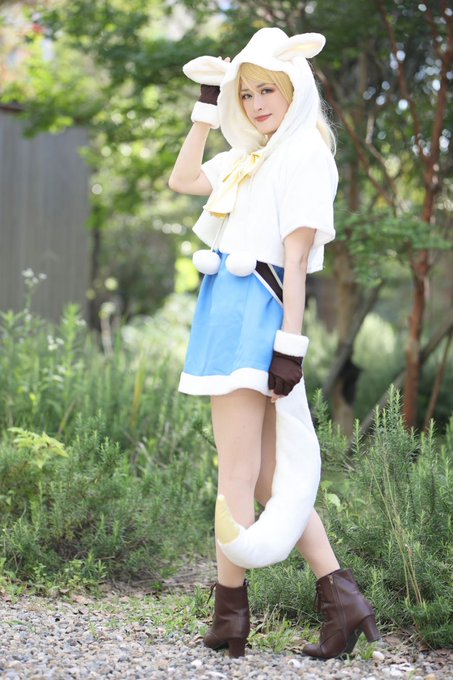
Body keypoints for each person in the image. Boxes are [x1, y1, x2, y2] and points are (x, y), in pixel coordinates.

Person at [168, 27, 379, 660]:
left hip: (259, 314)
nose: (257, 104)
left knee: (235, 471)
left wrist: (290, 345)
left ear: (296, 89)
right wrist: (207, 105)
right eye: (247, 93)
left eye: (269, 90)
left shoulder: (305, 154)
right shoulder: (249, 156)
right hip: (226, 311)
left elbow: (296, 260)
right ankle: (343, 601)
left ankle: (230, 617)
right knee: (263, 479)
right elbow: (183, 179)